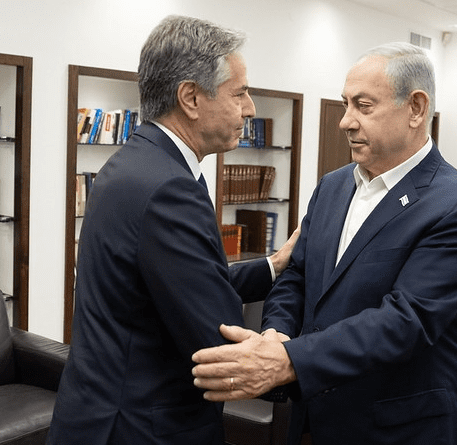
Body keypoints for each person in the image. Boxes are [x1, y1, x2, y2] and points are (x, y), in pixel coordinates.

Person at [192, 42, 457, 444]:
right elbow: (297, 274)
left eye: (363, 106)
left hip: (398, 429)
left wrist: (289, 360)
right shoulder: (333, 186)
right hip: (315, 419)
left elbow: (406, 321)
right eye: (345, 104)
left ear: (416, 109)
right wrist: (276, 334)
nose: (345, 121)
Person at [47, 15, 298, 445]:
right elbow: (217, 337)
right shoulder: (169, 188)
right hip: (141, 427)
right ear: (191, 97)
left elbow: (178, 282)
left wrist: (273, 266)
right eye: (239, 92)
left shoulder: (139, 162)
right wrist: (297, 364)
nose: (251, 107)